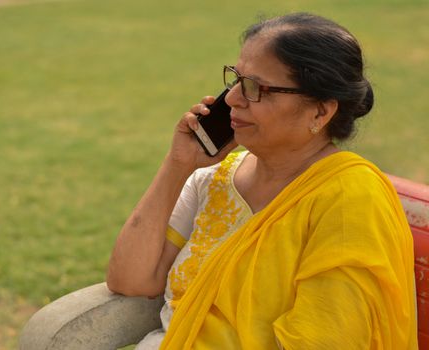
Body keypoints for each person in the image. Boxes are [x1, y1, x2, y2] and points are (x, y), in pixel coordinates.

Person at [106, 12, 418, 349]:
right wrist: (177, 165)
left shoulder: (349, 199)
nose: (233, 99)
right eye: (236, 79)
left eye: (257, 88)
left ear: (319, 112)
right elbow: (131, 280)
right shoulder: (214, 179)